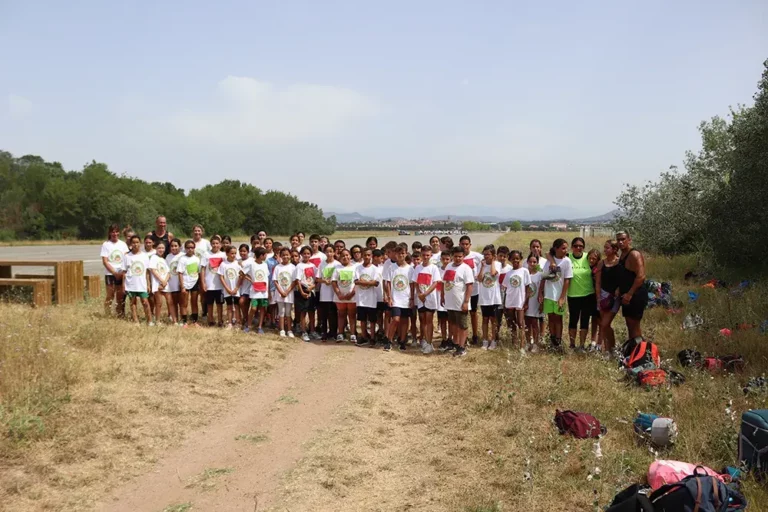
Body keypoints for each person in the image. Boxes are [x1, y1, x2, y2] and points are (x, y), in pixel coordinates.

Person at [538, 239, 573, 352]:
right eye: (563, 248)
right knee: (551, 318)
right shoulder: (549, 261)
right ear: (556, 248)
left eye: (566, 248)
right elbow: (544, 278)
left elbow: (567, 280)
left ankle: (558, 342)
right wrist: (541, 292)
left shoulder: (567, 261)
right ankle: (552, 341)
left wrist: (562, 297)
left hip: (559, 295)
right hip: (548, 294)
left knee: (558, 319)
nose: (565, 250)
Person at [441, 246, 475, 357]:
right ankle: (455, 344)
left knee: (462, 326)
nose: (458, 259)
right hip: (450, 302)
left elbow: (469, 286)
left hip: (460, 303)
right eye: (455, 256)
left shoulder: (466, 269)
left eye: (460, 256)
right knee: (453, 324)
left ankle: (462, 346)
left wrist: (466, 301)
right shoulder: (449, 266)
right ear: (452, 256)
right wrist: (442, 296)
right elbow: (444, 282)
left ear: (463, 257)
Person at [616, 230, 647, 341]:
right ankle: (632, 350)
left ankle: (640, 352)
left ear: (629, 240)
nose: (620, 242)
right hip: (626, 295)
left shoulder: (634, 254)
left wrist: (629, 294)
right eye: (618, 239)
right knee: (629, 324)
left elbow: (641, 276)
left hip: (635, 295)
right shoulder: (622, 255)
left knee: (634, 325)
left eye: (623, 239)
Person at [566, 237, 597, 352]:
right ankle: (572, 345)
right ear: (571, 247)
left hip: (588, 295)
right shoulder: (567, 257)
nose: (578, 248)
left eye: (581, 246)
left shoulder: (587, 257)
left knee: (585, 320)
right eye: (575, 246)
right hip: (573, 295)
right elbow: (549, 253)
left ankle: (582, 346)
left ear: (584, 247)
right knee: (573, 320)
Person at [412, 245, 441, 354]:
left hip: (430, 297)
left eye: (428, 255)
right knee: (422, 319)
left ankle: (429, 342)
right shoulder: (418, 267)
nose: (425, 257)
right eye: (424, 255)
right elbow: (415, 282)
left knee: (429, 319)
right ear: (421, 255)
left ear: (431, 255)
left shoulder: (433, 268)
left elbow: (435, 282)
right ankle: (425, 340)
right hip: (420, 298)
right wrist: (419, 294)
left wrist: (425, 294)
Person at [384, 246, 413, 352]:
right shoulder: (391, 268)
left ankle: (402, 340)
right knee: (396, 319)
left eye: (403, 253)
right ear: (395, 254)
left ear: (406, 254)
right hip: (395, 299)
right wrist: (389, 297)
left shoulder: (410, 268)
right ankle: (389, 340)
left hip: (406, 298)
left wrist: (412, 298)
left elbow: (412, 284)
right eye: (399, 253)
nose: (401, 255)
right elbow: (388, 283)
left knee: (405, 321)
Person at [594, 240, 621, 354]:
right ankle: (610, 348)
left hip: (615, 297)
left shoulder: (620, 262)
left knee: (605, 324)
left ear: (615, 249)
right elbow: (598, 281)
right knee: (604, 324)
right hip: (603, 295)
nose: (605, 250)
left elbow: (624, 279)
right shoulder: (602, 263)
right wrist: (598, 296)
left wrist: (619, 289)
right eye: (604, 247)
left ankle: (609, 349)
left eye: (607, 248)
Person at [503, 250, 532, 353]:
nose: (515, 260)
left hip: (520, 301)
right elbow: (506, 288)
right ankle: (514, 343)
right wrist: (504, 303)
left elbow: (528, 288)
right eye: (513, 258)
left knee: (520, 323)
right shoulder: (509, 273)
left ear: (520, 259)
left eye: (517, 258)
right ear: (510, 260)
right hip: (510, 300)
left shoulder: (525, 271)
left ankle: (522, 346)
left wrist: (526, 301)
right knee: (512, 323)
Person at [353, 247, 381, 346]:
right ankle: (364, 336)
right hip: (361, 298)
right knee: (362, 319)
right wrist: (369, 282)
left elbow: (376, 282)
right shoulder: (358, 268)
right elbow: (356, 281)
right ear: (362, 255)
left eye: (369, 255)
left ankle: (373, 337)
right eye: (365, 255)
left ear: (372, 256)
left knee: (372, 320)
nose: (367, 257)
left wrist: (363, 282)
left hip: (371, 299)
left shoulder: (375, 269)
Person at [123, 235, 153, 325]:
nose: (135, 244)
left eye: (137, 242)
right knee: (132, 302)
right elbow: (124, 272)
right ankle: (136, 320)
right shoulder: (127, 256)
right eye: (133, 242)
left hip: (142, 284)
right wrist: (123, 285)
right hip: (131, 283)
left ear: (140, 243)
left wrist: (148, 284)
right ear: (130, 244)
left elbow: (147, 272)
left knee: (145, 302)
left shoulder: (144, 256)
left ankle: (149, 320)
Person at [459, 235, 483, 346]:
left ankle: (475, 335)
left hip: (474, 289)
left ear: (470, 245)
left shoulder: (477, 256)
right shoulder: (458, 256)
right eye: (462, 244)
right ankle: (463, 336)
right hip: (460, 291)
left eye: (466, 244)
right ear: (459, 245)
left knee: (473, 313)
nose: (465, 246)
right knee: (462, 314)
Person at [101, 224, 128, 317]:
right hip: (110, 273)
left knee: (120, 296)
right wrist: (114, 272)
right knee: (110, 295)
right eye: (113, 232)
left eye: (116, 232)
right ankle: (107, 314)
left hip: (121, 273)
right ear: (109, 233)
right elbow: (105, 261)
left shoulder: (123, 244)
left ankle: (119, 314)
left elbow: (126, 259)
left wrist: (121, 273)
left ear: (119, 233)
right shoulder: (106, 244)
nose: (115, 234)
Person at [476, 245, 501, 350]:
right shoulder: (481, 265)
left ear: (493, 255)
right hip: (484, 297)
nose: (486, 256)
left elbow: (493, 273)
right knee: (485, 319)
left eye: (488, 254)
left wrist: (493, 262)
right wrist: (482, 267)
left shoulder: (497, 264)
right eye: (484, 254)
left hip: (494, 297)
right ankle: (485, 340)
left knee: (493, 320)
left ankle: (493, 340)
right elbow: (480, 279)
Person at [293, 246, 318, 342]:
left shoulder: (313, 266)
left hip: (311, 290)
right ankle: (304, 332)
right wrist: (302, 292)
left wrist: (313, 287)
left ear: (311, 255)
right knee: (303, 312)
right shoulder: (299, 266)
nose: (306, 255)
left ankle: (312, 330)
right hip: (302, 289)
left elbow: (316, 279)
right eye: (304, 253)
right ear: (301, 255)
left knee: (311, 312)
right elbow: (297, 280)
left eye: (308, 253)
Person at [332, 249, 357, 343]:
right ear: (339, 257)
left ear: (350, 256)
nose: (345, 257)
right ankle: (340, 333)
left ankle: (353, 333)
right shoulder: (337, 268)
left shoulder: (355, 268)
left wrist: (352, 293)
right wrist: (339, 294)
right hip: (340, 297)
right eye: (343, 256)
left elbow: (356, 283)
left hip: (352, 296)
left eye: (347, 255)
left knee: (352, 315)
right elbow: (334, 282)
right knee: (341, 314)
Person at [200, 235, 225, 327]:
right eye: (213, 243)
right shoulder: (206, 254)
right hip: (209, 284)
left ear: (220, 244)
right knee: (210, 303)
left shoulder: (223, 255)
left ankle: (220, 320)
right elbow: (202, 269)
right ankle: (210, 319)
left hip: (220, 284)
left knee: (219, 304)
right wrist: (203, 283)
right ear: (210, 244)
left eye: (217, 243)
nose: (215, 245)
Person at [245, 247, 270, 334]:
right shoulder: (251, 264)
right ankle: (248, 325)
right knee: (253, 308)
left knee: (262, 308)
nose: (266, 256)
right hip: (255, 291)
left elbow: (266, 277)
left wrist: (268, 291)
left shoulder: (265, 264)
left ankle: (260, 326)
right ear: (261, 255)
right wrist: (251, 280)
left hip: (263, 291)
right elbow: (242, 273)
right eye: (265, 254)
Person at [317, 244, 339, 340]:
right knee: (324, 314)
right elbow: (317, 278)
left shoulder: (337, 264)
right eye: (327, 251)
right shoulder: (322, 264)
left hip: (334, 293)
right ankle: (324, 332)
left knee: (333, 314)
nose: (329, 253)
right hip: (324, 293)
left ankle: (333, 332)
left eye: (331, 251)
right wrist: (324, 281)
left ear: (334, 252)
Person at [273, 247, 296, 338]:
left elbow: (294, 281)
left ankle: (289, 330)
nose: (285, 256)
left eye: (287, 254)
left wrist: (287, 291)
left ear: (290, 255)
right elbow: (275, 281)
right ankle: (282, 329)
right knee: (281, 312)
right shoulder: (278, 267)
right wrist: (281, 292)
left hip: (289, 293)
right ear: (280, 256)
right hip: (280, 293)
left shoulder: (293, 267)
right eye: (283, 255)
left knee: (288, 312)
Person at [178, 240, 201, 326]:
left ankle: (195, 321)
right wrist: (182, 286)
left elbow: (199, 272)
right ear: (185, 248)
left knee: (194, 302)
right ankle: (184, 322)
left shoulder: (197, 259)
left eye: (192, 247)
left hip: (194, 283)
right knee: (184, 303)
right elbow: (180, 273)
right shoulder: (182, 259)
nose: (190, 249)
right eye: (188, 248)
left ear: (194, 248)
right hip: (185, 283)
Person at [218, 245, 242, 328]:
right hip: (227, 290)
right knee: (229, 306)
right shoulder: (223, 264)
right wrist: (227, 288)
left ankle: (238, 322)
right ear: (227, 253)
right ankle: (230, 323)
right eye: (232, 253)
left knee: (236, 305)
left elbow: (241, 276)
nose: (234, 255)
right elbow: (221, 277)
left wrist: (236, 288)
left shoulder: (237, 263)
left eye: (235, 253)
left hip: (236, 289)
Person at [149, 242, 172, 324]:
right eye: (159, 248)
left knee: (170, 301)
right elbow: (153, 270)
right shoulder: (153, 258)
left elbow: (168, 272)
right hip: (157, 284)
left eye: (162, 248)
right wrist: (161, 281)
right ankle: (157, 320)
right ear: (156, 248)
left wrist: (165, 281)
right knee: (159, 303)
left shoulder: (164, 259)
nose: (161, 250)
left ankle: (171, 317)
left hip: (165, 283)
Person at [524, 253, 544, 350]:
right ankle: (528, 342)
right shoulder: (525, 273)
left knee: (535, 323)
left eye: (534, 262)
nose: (532, 264)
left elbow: (542, 289)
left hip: (535, 302)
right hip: (526, 302)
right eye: (530, 262)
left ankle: (536, 343)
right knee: (527, 322)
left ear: (537, 263)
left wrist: (541, 303)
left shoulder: (540, 275)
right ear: (527, 262)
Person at [436, 250, 452, 350]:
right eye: (443, 259)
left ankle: (450, 338)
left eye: (447, 259)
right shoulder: (438, 270)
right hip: (440, 298)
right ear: (440, 259)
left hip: (450, 298)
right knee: (442, 320)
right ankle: (444, 338)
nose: (445, 261)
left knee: (450, 321)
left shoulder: (451, 270)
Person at [586, 249, 602, 350]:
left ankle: (600, 343)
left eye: (594, 259)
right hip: (590, 295)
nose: (591, 260)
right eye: (590, 258)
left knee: (601, 320)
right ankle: (593, 341)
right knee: (594, 319)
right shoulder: (587, 267)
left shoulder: (598, 269)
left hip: (599, 296)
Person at [165, 238, 183, 324]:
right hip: (172, 283)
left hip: (181, 283)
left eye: (176, 246)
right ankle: (175, 319)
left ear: (180, 246)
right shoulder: (168, 257)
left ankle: (183, 319)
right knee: (174, 302)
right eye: (172, 246)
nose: (174, 248)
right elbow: (166, 270)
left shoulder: (183, 255)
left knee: (182, 303)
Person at [238, 244, 253, 327]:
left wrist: (241, 265)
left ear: (248, 252)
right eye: (241, 251)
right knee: (243, 302)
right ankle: (245, 318)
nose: (242, 253)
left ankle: (249, 319)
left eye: (244, 251)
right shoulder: (237, 260)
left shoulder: (251, 260)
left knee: (246, 302)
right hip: (242, 286)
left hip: (250, 285)